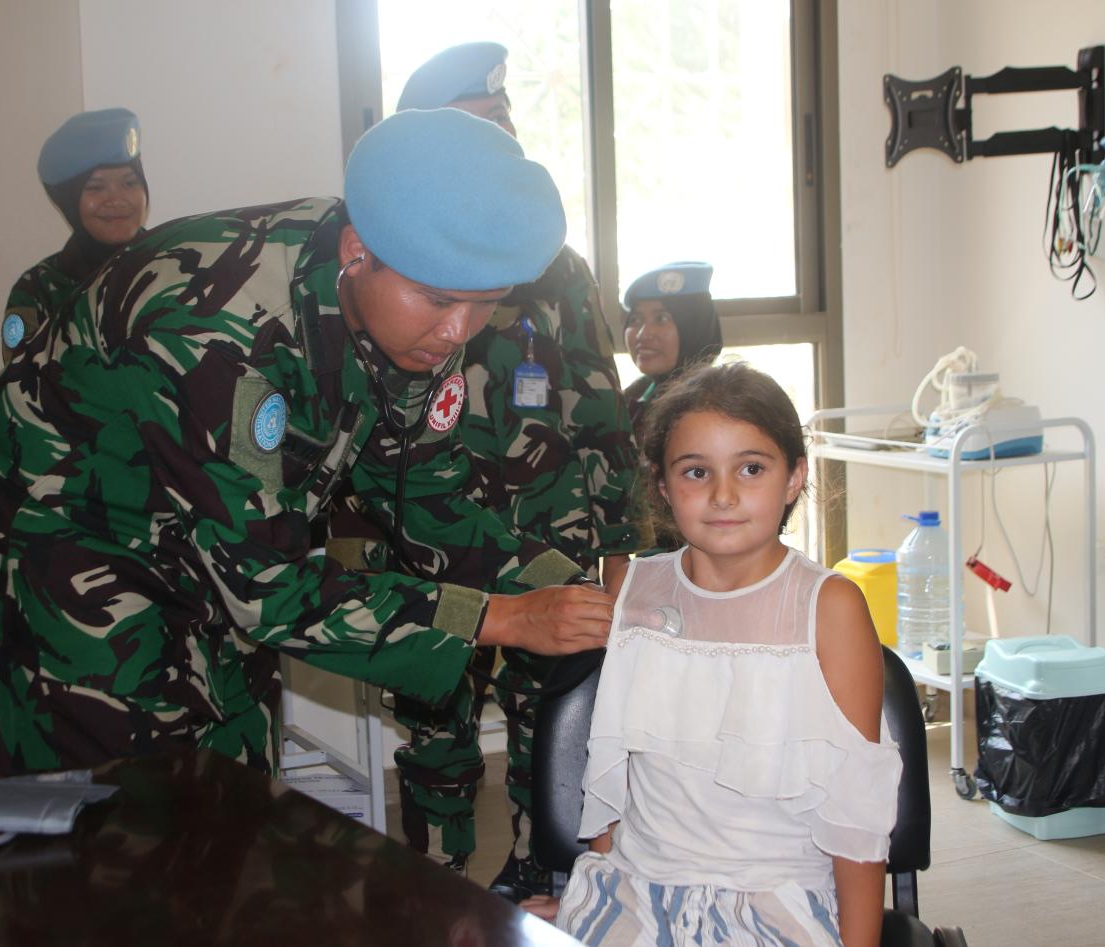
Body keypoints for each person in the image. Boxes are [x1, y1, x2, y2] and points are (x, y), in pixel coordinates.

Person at [0, 107, 615, 777]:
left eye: (487, 303)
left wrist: (578, 592)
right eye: (441, 301)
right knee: (119, 780)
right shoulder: (216, 333)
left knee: (234, 746)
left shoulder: (412, 310)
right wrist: (499, 619)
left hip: (217, 526)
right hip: (71, 524)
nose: (459, 332)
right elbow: (266, 589)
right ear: (356, 252)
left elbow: (430, 496)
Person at [327, 40, 644, 889]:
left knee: (554, 711)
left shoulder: (554, 266)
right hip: (426, 532)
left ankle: (544, 869)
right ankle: (438, 875)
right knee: (435, 716)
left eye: (502, 121)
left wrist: (622, 544)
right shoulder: (391, 260)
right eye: (473, 123)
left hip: (541, 531)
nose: (495, 139)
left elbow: (600, 404)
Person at [527, 362, 900, 947]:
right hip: (636, 888)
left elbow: (858, 816)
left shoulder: (829, 606)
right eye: (696, 472)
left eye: (751, 468)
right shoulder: (635, 590)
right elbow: (614, 770)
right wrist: (592, 898)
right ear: (662, 485)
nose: (723, 495)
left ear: (795, 477)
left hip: (778, 901)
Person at [0, 108, 149, 361]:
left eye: (130, 183)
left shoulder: (178, 266)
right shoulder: (38, 290)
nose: (116, 199)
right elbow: (23, 377)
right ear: (68, 201)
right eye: (96, 187)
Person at [621, 261, 724, 446]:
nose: (642, 334)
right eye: (635, 319)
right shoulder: (636, 395)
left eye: (661, 318)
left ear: (695, 328)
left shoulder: (713, 407)